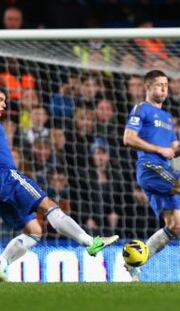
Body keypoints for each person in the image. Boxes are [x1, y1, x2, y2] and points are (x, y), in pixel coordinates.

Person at [0, 89, 118, 282]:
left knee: (34, 231)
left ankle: (1, 265)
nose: (4, 104)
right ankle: (90, 242)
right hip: (7, 177)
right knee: (48, 205)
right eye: (0, 100)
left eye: (4, 100)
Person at [123, 70, 180, 280]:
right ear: (147, 87)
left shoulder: (167, 118)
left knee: (174, 226)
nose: (163, 89)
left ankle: (133, 264)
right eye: (158, 84)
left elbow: (174, 149)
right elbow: (128, 138)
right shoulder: (142, 109)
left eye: (166, 84)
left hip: (162, 168)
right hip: (149, 166)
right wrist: (158, 149)